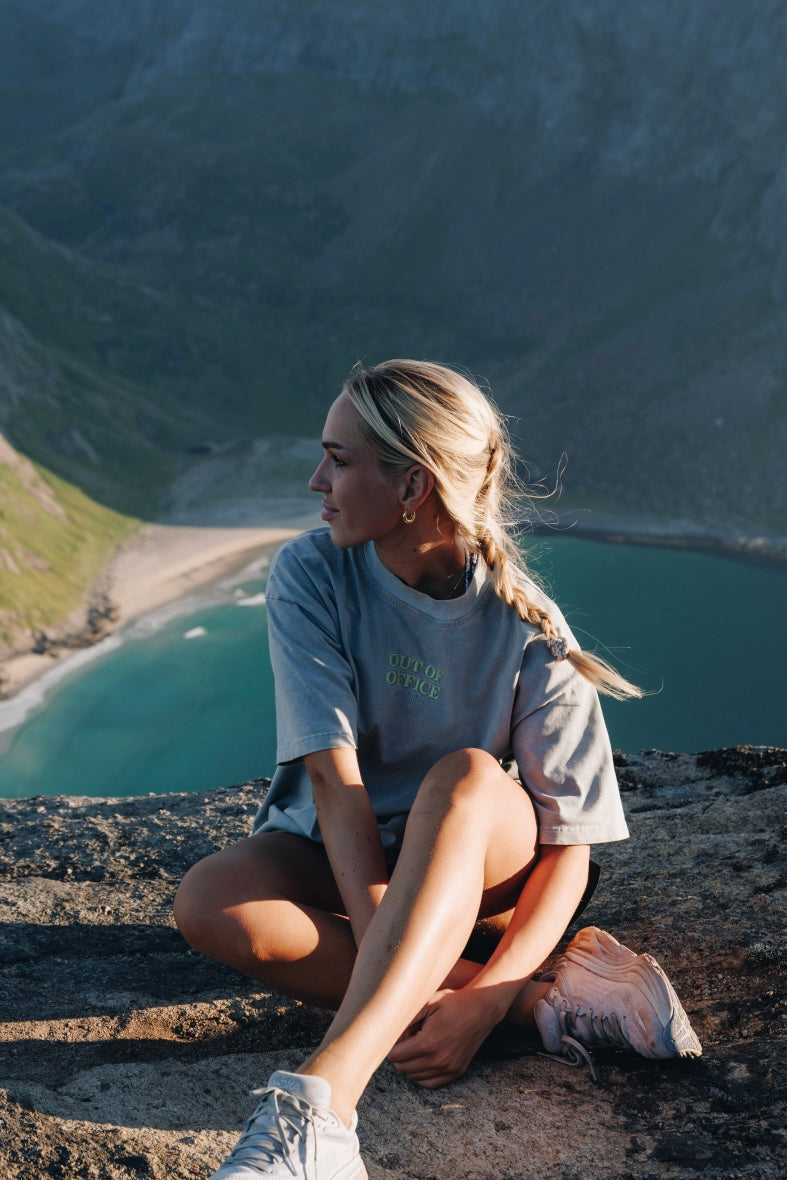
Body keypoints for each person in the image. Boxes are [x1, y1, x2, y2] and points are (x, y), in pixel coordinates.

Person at [174, 359, 701, 1180]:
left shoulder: (529, 628)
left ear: (413, 486)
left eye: (338, 460)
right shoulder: (311, 573)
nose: (317, 482)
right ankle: (543, 1003)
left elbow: (569, 848)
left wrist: (467, 996)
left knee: (463, 777)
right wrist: (484, 998)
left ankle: (323, 1108)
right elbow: (334, 784)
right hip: (346, 855)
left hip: (477, 865)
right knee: (209, 900)